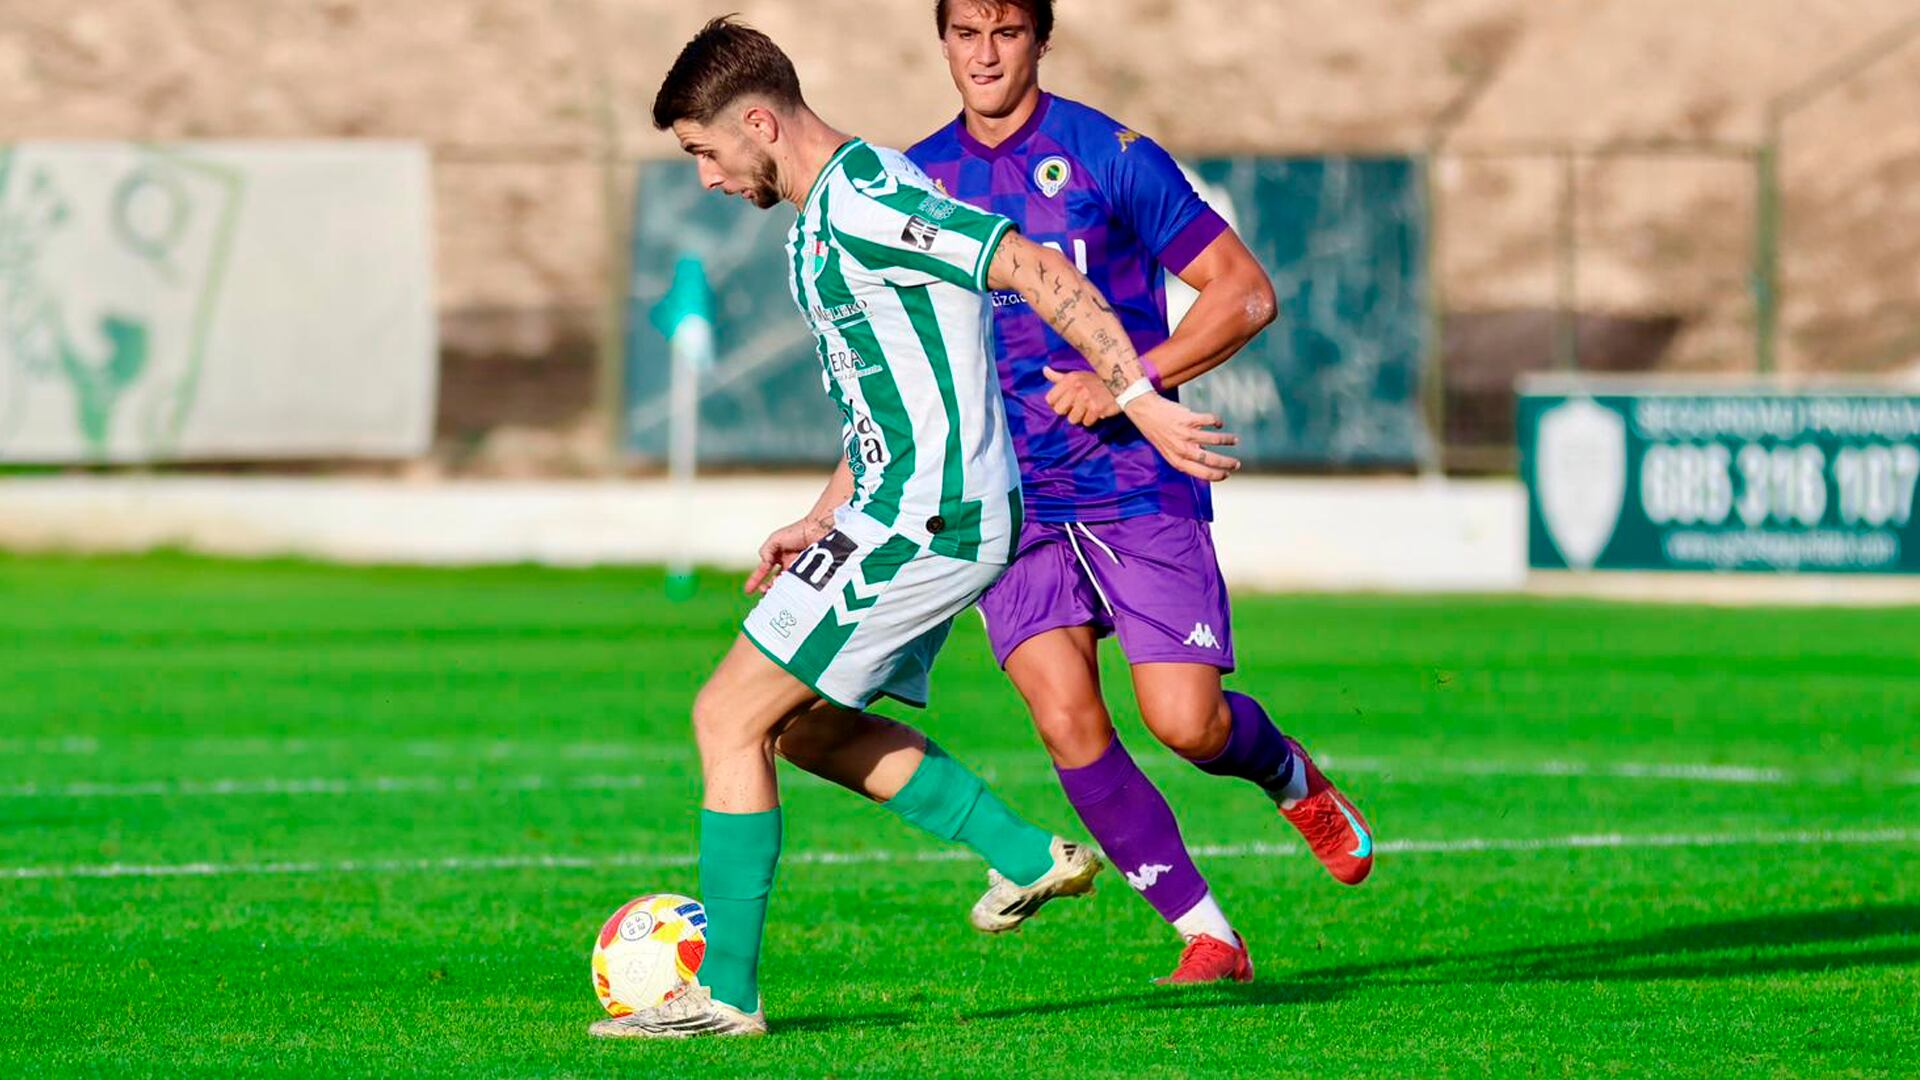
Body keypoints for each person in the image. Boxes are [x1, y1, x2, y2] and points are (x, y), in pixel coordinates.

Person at [592, 16, 1240, 1039]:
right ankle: (1027, 855)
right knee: (798, 727)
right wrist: (819, 515)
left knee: (727, 717)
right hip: (891, 510)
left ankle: (724, 997)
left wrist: (1140, 394)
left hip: (931, 519)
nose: (709, 179)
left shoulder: (868, 199)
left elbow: (1032, 269)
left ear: (759, 122)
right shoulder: (828, 211)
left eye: (707, 153)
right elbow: (888, 389)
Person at [905, 0, 1375, 986]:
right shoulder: (917, 181)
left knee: (1187, 724)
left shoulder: (1108, 155)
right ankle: (1209, 937)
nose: (985, 55)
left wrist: (1132, 379)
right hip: (1011, 497)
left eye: (1006, 32)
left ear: (1040, 38)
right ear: (943, 42)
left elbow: (1244, 291)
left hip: (1132, 479)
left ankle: (1287, 773)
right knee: (1066, 719)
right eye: (965, 33)